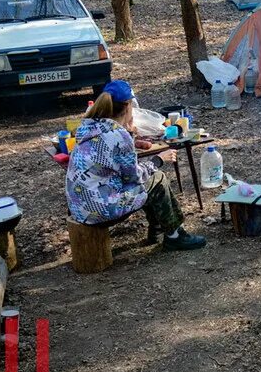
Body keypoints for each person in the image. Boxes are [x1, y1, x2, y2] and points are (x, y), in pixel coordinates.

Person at [66, 81, 206, 251]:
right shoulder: (118, 135)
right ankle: (174, 235)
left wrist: (131, 137)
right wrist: (158, 159)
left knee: (146, 182)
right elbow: (134, 177)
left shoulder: (88, 127)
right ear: (127, 106)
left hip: (79, 207)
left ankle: (157, 230)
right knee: (157, 178)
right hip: (100, 210)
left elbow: (112, 159)